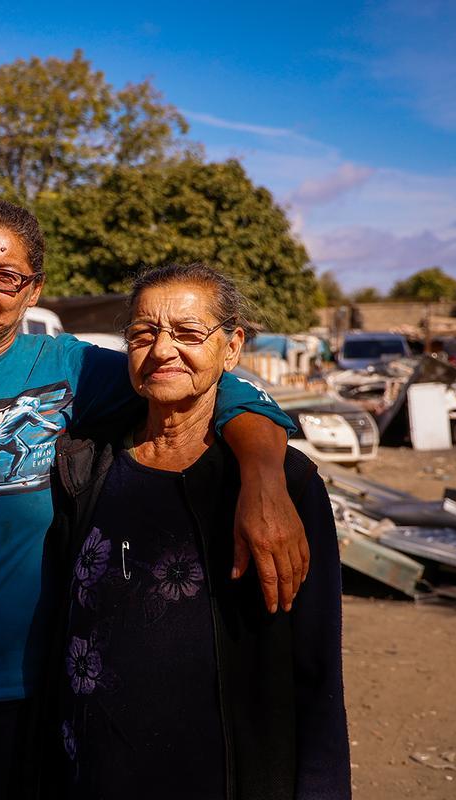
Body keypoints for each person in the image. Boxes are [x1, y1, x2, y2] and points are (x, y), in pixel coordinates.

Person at [0, 199, 310, 799]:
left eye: (5, 277)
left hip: (24, 696)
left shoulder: (69, 371)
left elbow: (225, 386)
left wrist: (264, 481)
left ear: (32, 291)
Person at [46, 263, 349, 799]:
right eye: (144, 333)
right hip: (95, 774)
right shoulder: (86, 468)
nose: (163, 350)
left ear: (232, 348)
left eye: (188, 333)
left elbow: (316, 667)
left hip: (227, 775)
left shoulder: (286, 488)